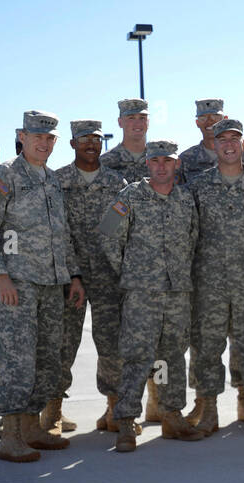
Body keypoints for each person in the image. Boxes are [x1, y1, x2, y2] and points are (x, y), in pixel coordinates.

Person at [0, 110, 85, 461]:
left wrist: (74, 275)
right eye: (38, 136)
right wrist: (0, 274)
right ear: (22, 136)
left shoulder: (51, 180)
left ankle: (33, 426)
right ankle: (11, 434)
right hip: (18, 283)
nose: (44, 142)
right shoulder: (5, 175)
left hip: (52, 283)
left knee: (47, 357)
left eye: (50, 137)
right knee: (17, 359)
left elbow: (60, 234)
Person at [99, 140, 205, 452]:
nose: (161, 166)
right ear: (148, 164)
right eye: (155, 160)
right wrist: (130, 272)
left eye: (167, 161)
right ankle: (127, 422)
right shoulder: (131, 195)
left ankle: (172, 415)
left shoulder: (185, 199)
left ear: (177, 165)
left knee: (173, 355)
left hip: (177, 292)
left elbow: (193, 239)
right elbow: (108, 233)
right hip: (141, 293)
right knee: (136, 356)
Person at [183, 119, 244, 433]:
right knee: (207, 345)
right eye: (222, 139)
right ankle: (208, 410)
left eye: (235, 139)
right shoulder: (198, 186)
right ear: (215, 145)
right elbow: (187, 233)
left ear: (243, 145)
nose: (229, 145)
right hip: (208, 281)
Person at [54, 119, 130, 434]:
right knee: (64, 344)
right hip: (70, 277)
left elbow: (119, 229)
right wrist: (73, 273)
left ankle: (114, 409)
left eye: (96, 140)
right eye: (84, 140)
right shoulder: (58, 182)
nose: (90, 145)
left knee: (112, 344)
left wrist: (117, 266)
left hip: (109, 276)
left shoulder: (117, 183)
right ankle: (53, 412)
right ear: (72, 144)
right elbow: (57, 233)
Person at [177, 98, 244, 184]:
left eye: (215, 116)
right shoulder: (185, 159)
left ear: (225, 119)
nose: (210, 121)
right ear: (197, 123)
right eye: (203, 118)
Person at [101, 98, 151, 183]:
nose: (137, 124)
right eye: (131, 118)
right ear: (120, 122)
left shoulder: (159, 161)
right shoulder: (105, 162)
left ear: (148, 122)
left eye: (142, 118)